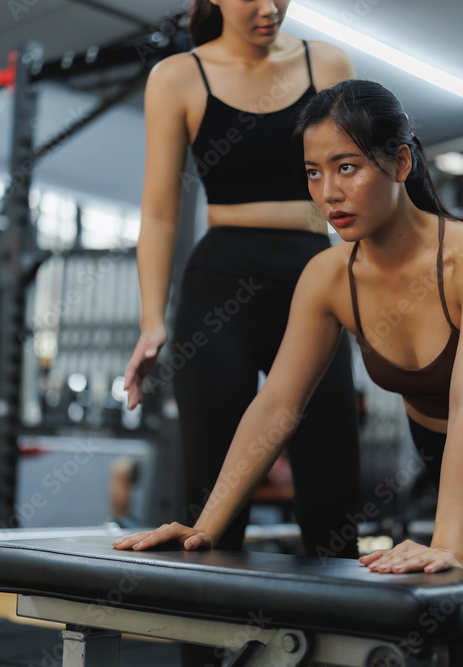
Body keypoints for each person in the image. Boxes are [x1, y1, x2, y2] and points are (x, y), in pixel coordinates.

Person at [116, 79, 463, 586]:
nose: (328, 192)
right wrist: (204, 525)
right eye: (313, 172)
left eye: (346, 167)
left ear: (401, 162)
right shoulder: (328, 278)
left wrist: (446, 543)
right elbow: (276, 406)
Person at [122, 2, 360, 558]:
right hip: (220, 284)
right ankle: (210, 648)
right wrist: (151, 320)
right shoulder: (178, 77)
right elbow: (158, 214)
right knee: (213, 497)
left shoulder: (327, 64)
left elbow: (363, 179)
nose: (267, 6)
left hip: (315, 278)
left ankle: (337, 643)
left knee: (333, 493)